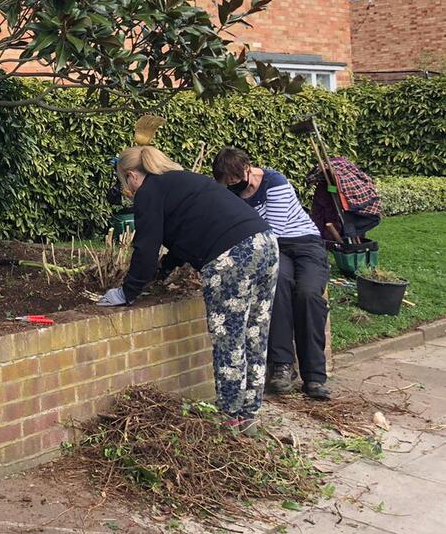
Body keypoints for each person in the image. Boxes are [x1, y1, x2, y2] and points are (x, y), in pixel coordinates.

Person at [97, 145, 278, 434]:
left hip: (232, 256)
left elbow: (146, 246)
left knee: (229, 340)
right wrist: (166, 268)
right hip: (265, 242)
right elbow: (188, 230)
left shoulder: (149, 192)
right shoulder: (184, 181)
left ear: (132, 176)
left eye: (125, 182)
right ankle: (250, 415)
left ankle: (231, 420)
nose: (126, 189)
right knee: (255, 333)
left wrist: (127, 292)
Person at [214, 147, 332, 400]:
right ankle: (282, 366)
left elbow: (273, 232)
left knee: (308, 294)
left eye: (235, 180)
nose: (232, 186)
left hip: (303, 243)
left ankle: (315, 376)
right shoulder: (233, 195)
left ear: (247, 169)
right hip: (273, 249)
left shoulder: (275, 182)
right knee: (276, 288)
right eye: (228, 183)